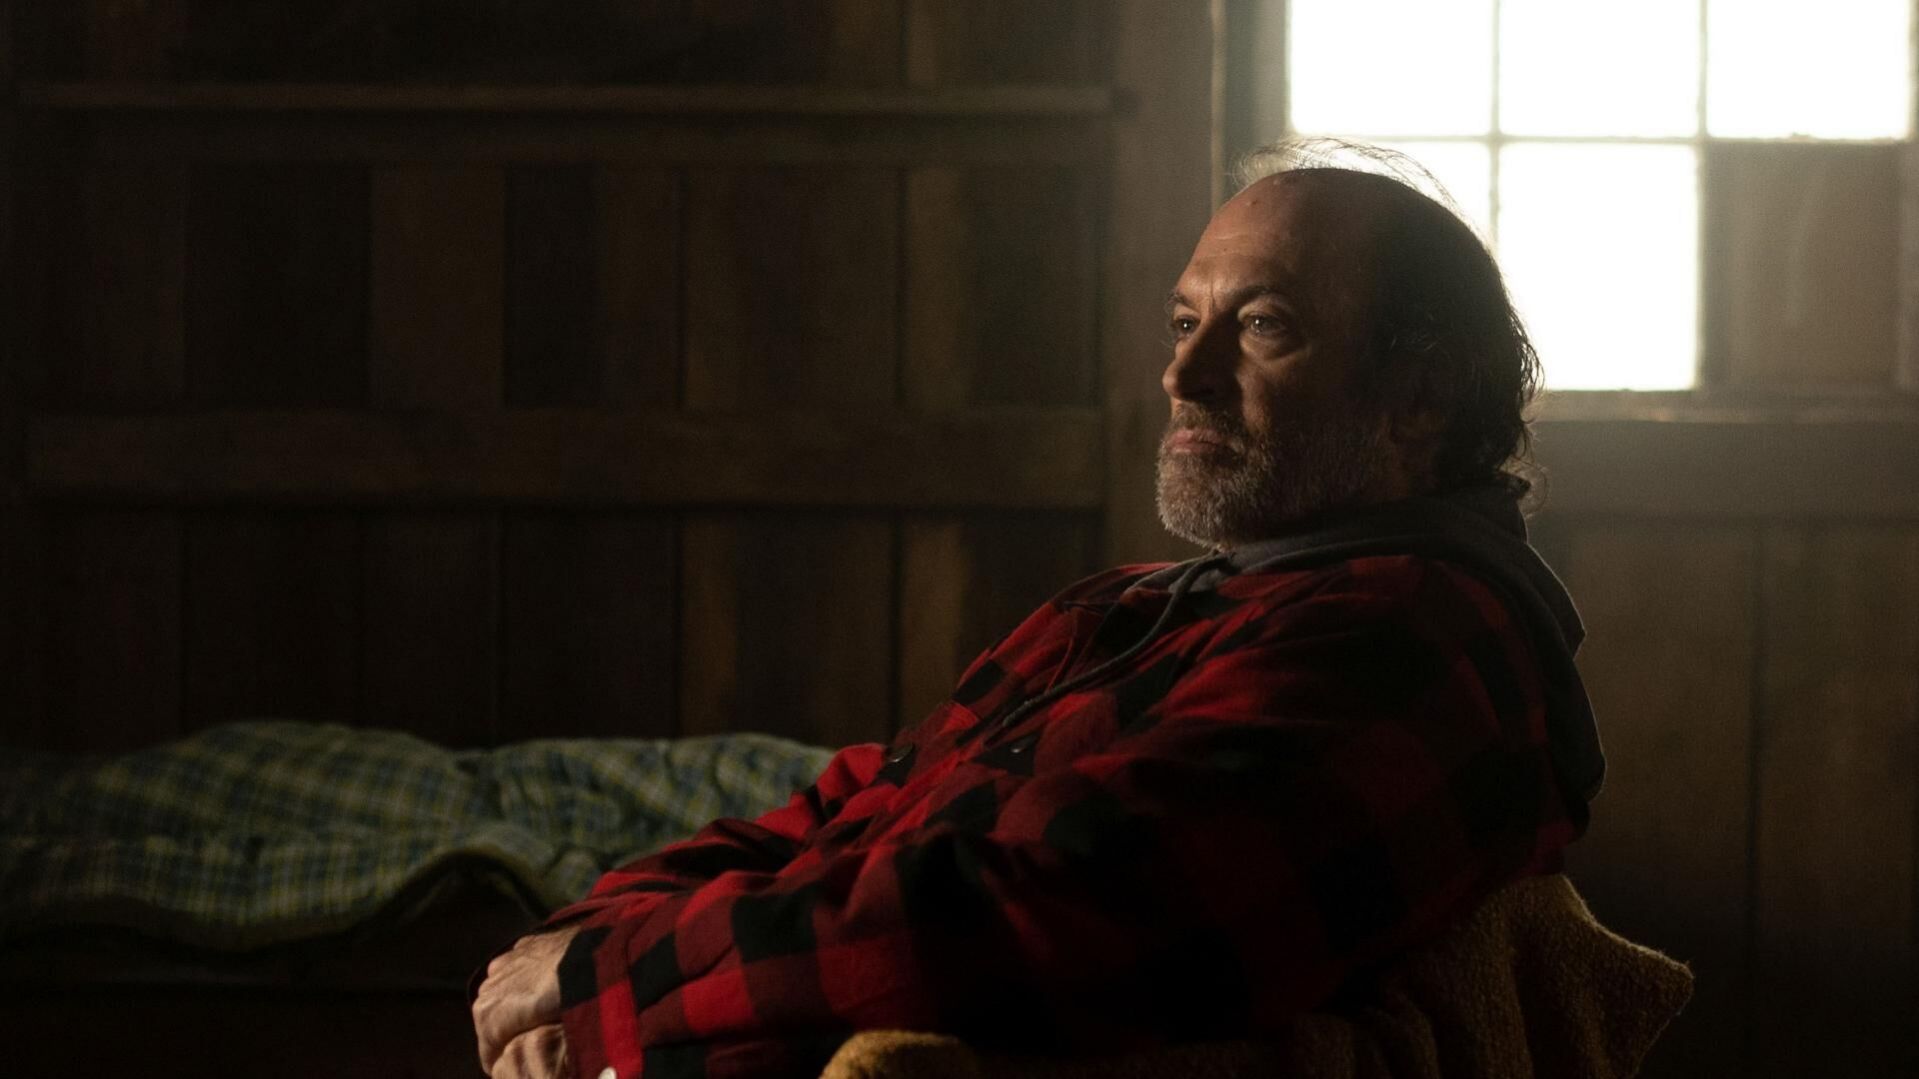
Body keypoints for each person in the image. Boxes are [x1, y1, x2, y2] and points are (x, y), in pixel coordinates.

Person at [471, 138, 1604, 1079]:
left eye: (1262, 325)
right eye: (1182, 323)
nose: (1183, 375)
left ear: (1417, 399)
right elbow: (852, 801)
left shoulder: (1411, 632)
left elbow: (1068, 914)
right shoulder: (1131, 606)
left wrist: (611, 979)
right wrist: (590, 934)